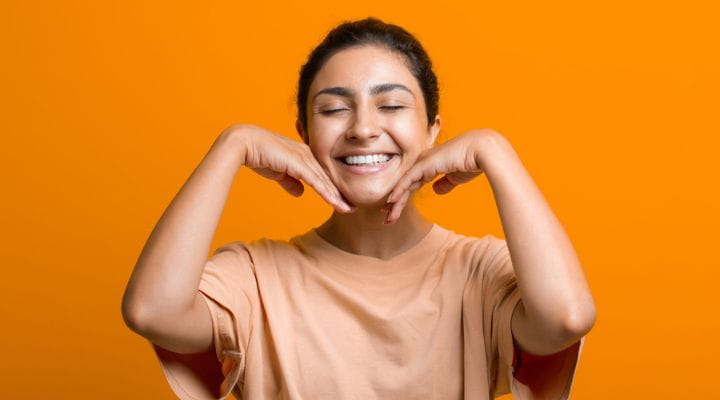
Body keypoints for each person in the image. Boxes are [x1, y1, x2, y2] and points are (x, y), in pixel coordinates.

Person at [121, 17, 596, 400]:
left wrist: (497, 153)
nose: (363, 129)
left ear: (432, 130)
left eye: (391, 106)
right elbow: (151, 311)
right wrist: (231, 146)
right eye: (332, 110)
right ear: (302, 135)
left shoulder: (479, 272)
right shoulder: (255, 277)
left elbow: (566, 320)